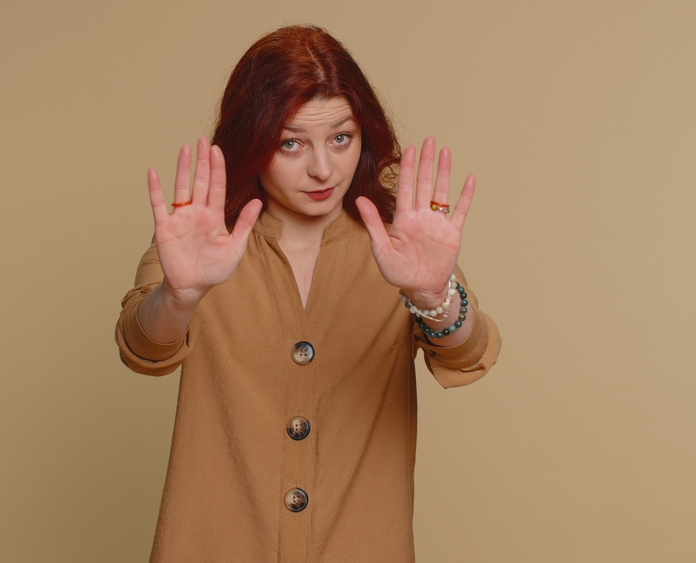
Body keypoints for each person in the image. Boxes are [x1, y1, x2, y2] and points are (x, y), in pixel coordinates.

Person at [115, 25, 500, 562]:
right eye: (291, 143)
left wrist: (435, 294)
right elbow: (143, 346)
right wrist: (179, 297)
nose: (323, 168)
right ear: (251, 141)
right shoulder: (201, 242)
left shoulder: (398, 244)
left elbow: (467, 350)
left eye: (341, 137)